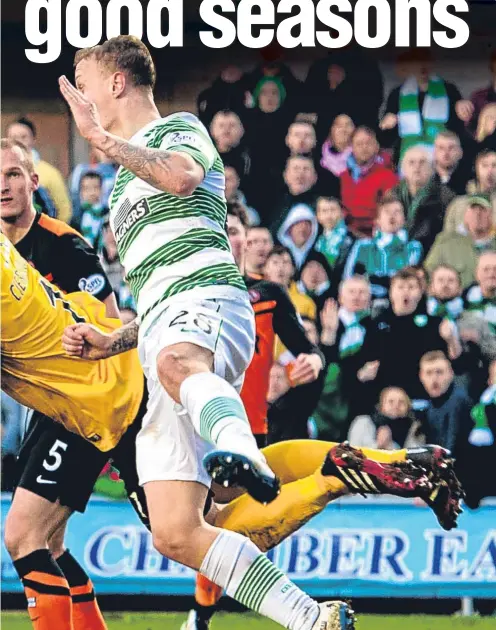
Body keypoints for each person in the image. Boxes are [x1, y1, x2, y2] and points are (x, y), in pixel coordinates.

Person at [60, 35, 353, 629]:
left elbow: (182, 178)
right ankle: (309, 618)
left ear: (115, 83)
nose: (80, 97)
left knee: (176, 364)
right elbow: (156, 287)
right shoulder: (119, 183)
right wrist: (112, 341)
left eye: (83, 81)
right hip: (164, 323)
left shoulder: (176, 130)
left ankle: (245, 458)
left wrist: (100, 140)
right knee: (174, 530)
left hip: (210, 300)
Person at [363, 269, 462, 403]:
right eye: (400, 287)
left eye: (411, 287)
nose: (406, 292)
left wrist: (451, 339)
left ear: (420, 292)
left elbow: (456, 363)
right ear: (391, 292)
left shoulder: (435, 324)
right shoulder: (376, 325)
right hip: (388, 400)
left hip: (425, 399)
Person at [379, 49, 472, 163]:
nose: (422, 66)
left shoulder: (449, 90)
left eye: (426, 61)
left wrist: (463, 113)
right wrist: (387, 124)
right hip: (409, 156)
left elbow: (458, 128)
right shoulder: (398, 93)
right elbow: (387, 135)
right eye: (417, 62)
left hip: (442, 157)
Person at [343, 195, 423, 301]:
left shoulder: (412, 247)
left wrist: (375, 279)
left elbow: (406, 279)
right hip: (365, 300)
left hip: (397, 302)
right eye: (387, 212)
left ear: (404, 219)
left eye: (397, 212)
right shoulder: (363, 246)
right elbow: (349, 277)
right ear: (377, 220)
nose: (392, 216)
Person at [6, 117, 72, 224]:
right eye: (13, 137)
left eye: (23, 137)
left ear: (33, 139)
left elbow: (64, 212)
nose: (18, 142)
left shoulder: (50, 173)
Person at [392, 145, 456, 254]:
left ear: (432, 168)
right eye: (411, 162)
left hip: (431, 252)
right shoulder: (392, 195)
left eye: (422, 162)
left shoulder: (445, 197)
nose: (417, 167)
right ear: (403, 169)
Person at [425, 196, 496, 288]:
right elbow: (428, 273)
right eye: (473, 209)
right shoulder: (446, 243)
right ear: (465, 215)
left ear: (491, 215)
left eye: (482, 210)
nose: (478, 214)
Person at [340, 127, 399, 237]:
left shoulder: (388, 176)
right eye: (359, 144)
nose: (364, 148)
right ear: (352, 147)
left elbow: (390, 209)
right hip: (347, 233)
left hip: (375, 233)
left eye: (368, 143)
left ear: (376, 147)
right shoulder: (344, 176)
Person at [419, 351, 473, 454]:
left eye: (439, 372)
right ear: (421, 376)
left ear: (450, 373)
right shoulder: (429, 407)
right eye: (429, 373)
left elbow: (451, 451)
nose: (434, 379)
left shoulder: (458, 401)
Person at [443, 149, 496, 233]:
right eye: (484, 165)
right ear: (476, 169)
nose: (490, 171)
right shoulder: (458, 205)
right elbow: (448, 238)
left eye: (494, 165)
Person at [313, 196, 356, 294]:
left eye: (333, 210)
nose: (329, 216)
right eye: (324, 211)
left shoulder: (352, 240)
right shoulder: (314, 240)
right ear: (317, 216)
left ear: (342, 213)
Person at [264, 245, 317, 320]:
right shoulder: (256, 297)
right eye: (275, 262)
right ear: (265, 268)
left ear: (293, 270)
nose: (281, 267)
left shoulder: (306, 303)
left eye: (285, 262)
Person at [275, 203, 319, 273]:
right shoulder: (277, 253)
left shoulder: (317, 257)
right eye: (298, 224)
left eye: (307, 224)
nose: (303, 228)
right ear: (289, 228)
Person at [432, 131, 472, 196]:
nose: (446, 153)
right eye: (441, 148)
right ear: (434, 152)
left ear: (460, 152)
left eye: (451, 148)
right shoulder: (425, 181)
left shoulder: (470, 183)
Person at [78, 171, 109, 249]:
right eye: (86, 188)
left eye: (96, 187)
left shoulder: (109, 215)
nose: (92, 192)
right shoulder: (76, 217)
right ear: (81, 191)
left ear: (102, 189)